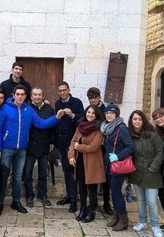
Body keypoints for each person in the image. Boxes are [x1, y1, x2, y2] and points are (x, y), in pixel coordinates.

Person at [0, 84, 64, 215]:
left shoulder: (28, 110)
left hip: (22, 149)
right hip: (7, 149)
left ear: (25, 96)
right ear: (13, 95)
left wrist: (56, 117)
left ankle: (16, 201)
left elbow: (41, 124)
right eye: (18, 94)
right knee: (4, 176)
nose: (20, 96)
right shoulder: (5, 108)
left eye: (22, 94)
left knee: (17, 177)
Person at [128, 110, 164, 237]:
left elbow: (161, 152)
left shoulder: (152, 135)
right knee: (141, 200)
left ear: (143, 121)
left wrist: (153, 168)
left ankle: (155, 226)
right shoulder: (130, 136)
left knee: (152, 201)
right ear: (131, 121)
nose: (137, 121)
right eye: (134, 119)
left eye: (139, 119)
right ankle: (142, 222)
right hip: (136, 172)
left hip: (151, 173)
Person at [68, 105, 106, 223]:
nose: (90, 115)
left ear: (97, 115)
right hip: (79, 162)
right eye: (88, 112)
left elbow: (93, 147)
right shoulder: (80, 126)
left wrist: (78, 147)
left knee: (92, 188)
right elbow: (73, 141)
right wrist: (71, 156)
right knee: (82, 187)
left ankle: (91, 211)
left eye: (93, 113)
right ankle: (83, 209)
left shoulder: (99, 128)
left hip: (92, 163)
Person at [100, 104, 134, 231]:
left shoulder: (121, 128)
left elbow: (130, 147)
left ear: (117, 114)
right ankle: (116, 217)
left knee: (116, 192)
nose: (108, 115)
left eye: (112, 113)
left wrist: (118, 156)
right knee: (113, 192)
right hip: (109, 165)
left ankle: (124, 220)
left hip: (118, 165)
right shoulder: (107, 127)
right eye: (107, 113)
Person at [23, 87, 55, 207]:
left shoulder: (49, 109)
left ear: (42, 96)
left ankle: (43, 195)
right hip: (30, 145)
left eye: (39, 94)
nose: (37, 97)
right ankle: (29, 196)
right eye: (35, 95)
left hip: (44, 145)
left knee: (43, 173)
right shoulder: (27, 109)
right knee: (27, 173)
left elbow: (53, 126)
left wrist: (52, 141)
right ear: (31, 97)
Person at [55, 81, 84, 213]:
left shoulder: (77, 102)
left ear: (68, 90)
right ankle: (69, 195)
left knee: (73, 172)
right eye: (60, 90)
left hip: (73, 143)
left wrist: (72, 114)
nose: (62, 92)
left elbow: (82, 120)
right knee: (66, 170)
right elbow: (57, 122)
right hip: (62, 143)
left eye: (64, 90)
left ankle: (74, 200)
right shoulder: (57, 103)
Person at [86, 87, 113, 215]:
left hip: (105, 148)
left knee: (106, 178)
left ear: (99, 97)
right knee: (93, 175)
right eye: (90, 98)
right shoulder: (89, 111)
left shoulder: (106, 110)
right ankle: (94, 203)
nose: (93, 100)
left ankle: (107, 203)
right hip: (93, 147)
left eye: (95, 98)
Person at [152, 108, 164, 230]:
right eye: (156, 118)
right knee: (162, 194)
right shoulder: (157, 133)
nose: (158, 119)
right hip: (161, 169)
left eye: (161, 116)